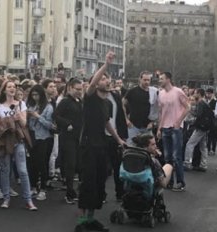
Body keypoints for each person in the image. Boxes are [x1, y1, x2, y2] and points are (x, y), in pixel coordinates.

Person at [75, 51, 125, 232]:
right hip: (88, 145)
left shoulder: (108, 103)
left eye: (108, 78)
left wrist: (119, 139)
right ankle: (81, 223)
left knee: (99, 183)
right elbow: (92, 83)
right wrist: (105, 64)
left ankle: (90, 219)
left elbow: (107, 123)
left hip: (101, 144)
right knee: (87, 183)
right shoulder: (90, 97)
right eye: (103, 78)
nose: (106, 81)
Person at [0, 80, 38, 211]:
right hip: (5, 141)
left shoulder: (21, 104)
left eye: (14, 87)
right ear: (5, 90)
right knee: (5, 170)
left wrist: (19, 117)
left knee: (23, 170)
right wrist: (5, 121)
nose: (12, 89)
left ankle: (28, 200)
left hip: (18, 140)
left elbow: (24, 124)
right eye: (9, 87)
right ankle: (6, 198)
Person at [157, 72, 189, 192]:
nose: (160, 80)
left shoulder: (178, 92)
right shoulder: (160, 94)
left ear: (168, 79)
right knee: (167, 157)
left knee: (176, 156)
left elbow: (188, 107)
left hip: (175, 128)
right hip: (165, 127)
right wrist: (159, 128)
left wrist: (179, 121)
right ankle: (169, 181)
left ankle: (180, 182)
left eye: (162, 78)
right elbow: (161, 112)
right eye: (159, 79)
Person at [54, 78, 83, 204]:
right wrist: (66, 124)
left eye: (81, 89)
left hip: (78, 137)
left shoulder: (79, 101)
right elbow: (55, 116)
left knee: (77, 164)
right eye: (77, 89)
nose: (79, 92)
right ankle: (69, 193)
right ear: (70, 88)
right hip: (67, 137)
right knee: (70, 165)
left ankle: (73, 190)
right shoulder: (65, 102)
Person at [27, 85, 54, 201]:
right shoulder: (30, 105)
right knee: (32, 163)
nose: (35, 97)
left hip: (43, 137)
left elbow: (50, 125)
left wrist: (38, 116)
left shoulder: (48, 107)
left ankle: (43, 188)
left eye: (37, 95)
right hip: (31, 136)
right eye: (33, 95)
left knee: (42, 163)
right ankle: (33, 186)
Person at [123, 71, 158, 143]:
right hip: (133, 126)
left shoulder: (153, 92)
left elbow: (157, 108)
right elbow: (122, 104)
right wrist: (126, 119)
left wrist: (153, 122)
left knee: (149, 149)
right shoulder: (132, 91)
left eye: (148, 80)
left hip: (148, 127)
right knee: (131, 148)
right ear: (140, 79)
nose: (147, 82)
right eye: (145, 80)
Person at [183, 89, 211, 172]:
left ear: (199, 94)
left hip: (200, 127)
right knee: (203, 146)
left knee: (190, 144)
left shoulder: (201, 103)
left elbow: (198, 115)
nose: (194, 94)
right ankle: (203, 164)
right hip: (205, 127)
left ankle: (187, 163)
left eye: (195, 93)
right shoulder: (205, 103)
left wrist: (190, 110)